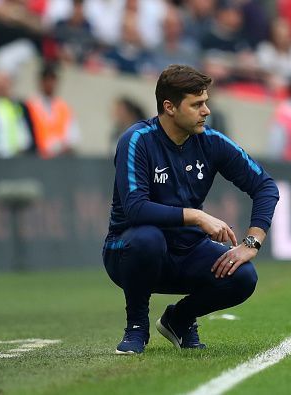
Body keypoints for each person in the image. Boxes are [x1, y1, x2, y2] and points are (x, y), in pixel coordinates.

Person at [103, 64, 279, 354]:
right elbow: (135, 208)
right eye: (197, 104)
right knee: (148, 239)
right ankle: (136, 326)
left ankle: (180, 319)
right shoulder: (136, 140)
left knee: (244, 276)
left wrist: (252, 243)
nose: (206, 110)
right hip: (127, 250)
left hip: (186, 251)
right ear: (170, 107)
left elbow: (265, 186)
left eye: (206, 102)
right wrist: (196, 216)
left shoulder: (211, 142)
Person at [25, 63, 81, 158]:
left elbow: (73, 138)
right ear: (41, 82)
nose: (49, 83)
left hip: (60, 160)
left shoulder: (64, 108)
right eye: (46, 79)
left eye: (52, 79)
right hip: (36, 158)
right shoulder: (30, 106)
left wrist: (61, 147)